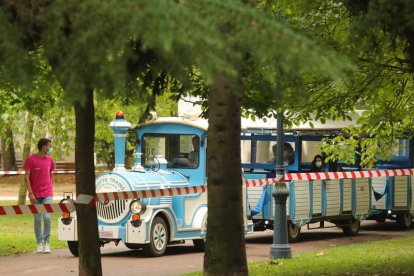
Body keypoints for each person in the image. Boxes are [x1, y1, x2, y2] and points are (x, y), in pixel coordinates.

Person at [23, 138, 55, 253]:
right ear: (43, 147)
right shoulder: (30, 159)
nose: (50, 148)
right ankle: (39, 243)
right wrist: (30, 193)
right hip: (35, 194)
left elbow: (51, 174)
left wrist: (50, 188)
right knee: (37, 219)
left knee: (47, 217)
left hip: (47, 193)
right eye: (49, 146)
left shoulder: (50, 160)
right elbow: (26, 177)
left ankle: (47, 242)